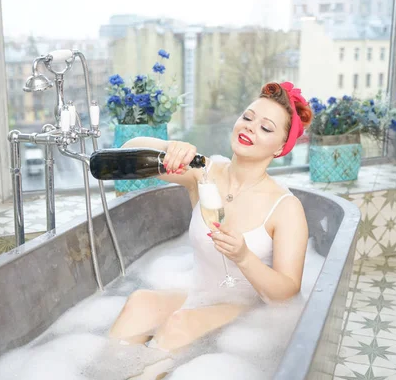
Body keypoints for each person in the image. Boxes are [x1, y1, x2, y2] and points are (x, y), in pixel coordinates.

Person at [109, 81, 313, 378]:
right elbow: (125, 156)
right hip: (198, 292)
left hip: (248, 310)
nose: (250, 128)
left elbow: (287, 292)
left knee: (178, 324)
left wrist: (244, 257)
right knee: (138, 304)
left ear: (281, 147)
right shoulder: (204, 171)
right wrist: (170, 149)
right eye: (247, 117)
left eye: (266, 128)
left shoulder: (285, 207)